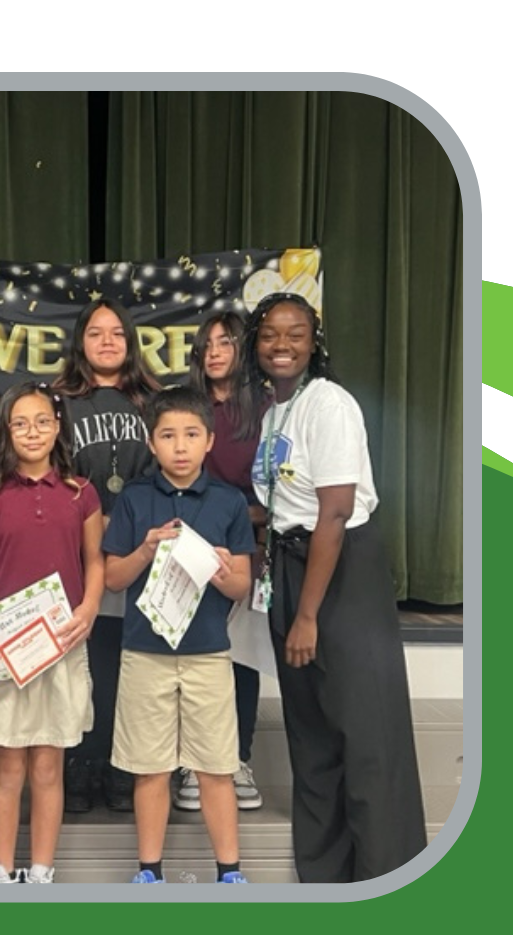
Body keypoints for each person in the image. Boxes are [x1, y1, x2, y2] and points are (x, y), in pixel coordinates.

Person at [245, 293, 426, 883]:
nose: (281, 345)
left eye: (295, 334)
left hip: (340, 571)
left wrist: (308, 616)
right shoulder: (275, 412)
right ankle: (325, 880)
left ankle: (386, 877)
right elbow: (283, 503)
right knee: (312, 738)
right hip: (292, 565)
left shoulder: (330, 404)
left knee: (365, 733)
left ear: (314, 342)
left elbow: (334, 512)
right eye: (270, 334)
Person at [99, 386, 256, 884]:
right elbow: (112, 578)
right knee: (151, 768)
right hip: (145, 652)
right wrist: (145, 551)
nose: (180, 446)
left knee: (215, 767)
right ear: (152, 442)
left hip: (209, 654)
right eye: (168, 435)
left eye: (191, 434)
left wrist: (220, 570)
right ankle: (149, 872)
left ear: (210, 441)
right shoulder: (134, 499)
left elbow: (241, 585)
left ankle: (229, 873)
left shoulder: (229, 502)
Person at [0, 383, 103, 884]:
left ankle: (41, 873)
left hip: (61, 644)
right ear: (6, 430)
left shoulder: (81, 493)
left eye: (42, 421)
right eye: (20, 423)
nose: (33, 431)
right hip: (4, 649)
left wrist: (89, 607)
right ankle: (0, 873)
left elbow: (95, 562)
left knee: (48, 766)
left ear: (58, 426)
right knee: (7, 765)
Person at [52, 298, 164, 814]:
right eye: (95, 333)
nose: (106, 342)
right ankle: (82, 761)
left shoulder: (154, 401)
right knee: (85, 662)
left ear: (131, 342)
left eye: (117, 333)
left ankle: (123, 765)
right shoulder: (59, 402)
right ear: (80, 342)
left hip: (141, 550)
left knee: (130, 664)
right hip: (76, 550)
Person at [181, 309, 270, 813]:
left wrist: (242, 517)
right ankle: (193, 762)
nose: (214, 352)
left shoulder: (263, 408)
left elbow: (278, 488)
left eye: (225, 343)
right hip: (186, 550)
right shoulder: (185, 406)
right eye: (207, 344)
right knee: (192, 657)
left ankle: (237, 758)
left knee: (241, 659)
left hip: (243, 548)